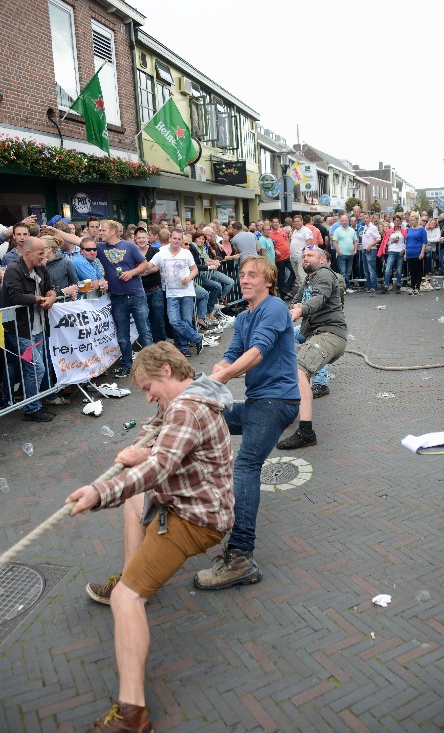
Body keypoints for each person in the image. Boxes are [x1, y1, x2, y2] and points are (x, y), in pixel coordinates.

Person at [66, 342, 235, 733]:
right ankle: (135, 577)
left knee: (127, 597)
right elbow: (156, 429)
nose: (146, 396)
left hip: (197, 518)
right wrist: (142, 444)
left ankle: (133, 715)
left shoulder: (188, 407)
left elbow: (159, 467)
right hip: (185, 501)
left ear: (166, 372)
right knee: (133, 506)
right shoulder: (186, 395)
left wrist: (99, 492)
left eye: (147, 387)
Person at [194, 256, 299, 590]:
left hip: (277, 401)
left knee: (247, 465)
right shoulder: (242, 316)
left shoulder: (275, 307)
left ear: (268, 281)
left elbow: (257, 352)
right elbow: (232, 353)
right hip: (256, 404)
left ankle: (241, 557)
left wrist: (221, 377)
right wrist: (207, 382)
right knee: (203, 420)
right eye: (242, 274)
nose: (244, 279)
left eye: (253, 275)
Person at [47, 220, 153, 378]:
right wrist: (54, 231)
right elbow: (75, 240)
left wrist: (131, 273)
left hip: (137, 294)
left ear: (113, 231)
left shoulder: (129, 246)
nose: (100, 232)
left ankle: (153, 365)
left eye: (103, 230)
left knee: (144, 333)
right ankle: (127, 367)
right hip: (117, 298)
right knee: (123, 336)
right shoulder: (99, 247)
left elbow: (145, 264)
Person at [276, 245, 347, 449]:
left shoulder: (324, 274)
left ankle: (306, 432)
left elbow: (317, 299)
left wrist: (301, 310)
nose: (305, 258)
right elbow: (296, 302)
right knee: (284, 364)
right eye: (304, 255)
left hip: (330, 334)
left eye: (310, 255)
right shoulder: (308, 279)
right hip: (314, 334)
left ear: (323, 260)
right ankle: (289, 410)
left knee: (298, 370)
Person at [1, 237, 56, 421]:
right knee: (36, 368)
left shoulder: (40, 268)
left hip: (38, 328)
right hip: (21, 331)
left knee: (33, 369)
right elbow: (16, 297)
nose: (44, 256)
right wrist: (40, 299)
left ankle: (35, 404)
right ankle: (32, 409)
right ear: (27, 253)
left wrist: (51, 298)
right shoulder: (13, 270)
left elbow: (50, 288)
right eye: (41, 253)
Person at [148, 228, 203, 357]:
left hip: (187, 292)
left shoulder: (186, 253)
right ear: (170, 239)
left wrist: (189, 277)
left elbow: (194, 270)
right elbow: (150, 266)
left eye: (179, 239)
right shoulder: (162, 253)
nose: (176, 241)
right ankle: (197, 337)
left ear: (181, 240)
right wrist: (135, 272)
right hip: (171, 293)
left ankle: (184, 347)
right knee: (174, 321)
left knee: (186, 321)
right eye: (174, 238)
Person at [135, 227, 167, 343]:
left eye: (143, 237)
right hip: (141, 291)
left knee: (158, 317)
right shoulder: (134, 251)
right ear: (135, 239)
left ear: (148, 238)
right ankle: (150, 344)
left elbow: (158, 266)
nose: (141, 240)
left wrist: (142, 272)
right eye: (139, 238)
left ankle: (161, 342)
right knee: (145, 318)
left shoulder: (155, 251)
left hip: (155, 289)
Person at [379, 216, 407, 294]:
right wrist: (392, 241)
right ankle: (385, 286)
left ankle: (398, 284)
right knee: (388, 270)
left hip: (400, 251)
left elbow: (406, 241)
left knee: (399, 270)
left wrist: (404, 249)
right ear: (393, 221)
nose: (397, 222)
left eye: (398, 220)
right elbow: (385, 242)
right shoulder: (389, 231)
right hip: (391, 251)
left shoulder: (404, 231)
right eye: (395, 220)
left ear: (400, 221)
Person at [269, 217, 295, 299]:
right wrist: (275, 250)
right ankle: (282, 294)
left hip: (287, 256)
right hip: (279, 258)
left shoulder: (282, 230)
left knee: (294, 272)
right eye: (274, 222)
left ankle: (285, 289)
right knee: (281, 276)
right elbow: (270, 246)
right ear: (271, 223)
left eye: (277, 222)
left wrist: (289, 248)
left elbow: (286, 240)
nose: (276, 224)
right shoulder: (270, 234)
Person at [332, 214, 358, 292]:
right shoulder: (337, 230)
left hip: (350, 254)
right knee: (342, 272)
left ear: (348, 221)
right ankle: (343, 289)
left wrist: (355, 250)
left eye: (346, 220)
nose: (344, 222)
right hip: (341, 255)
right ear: (340, 221)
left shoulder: (352, 230)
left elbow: (355, 241)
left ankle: (347, 287)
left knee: (348, 272)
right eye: (342, 220)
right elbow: (334, 242)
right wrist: (338, 251)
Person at [405, 211, 427, 296]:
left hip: (417, 252)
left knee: (418, 271)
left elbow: (424, 242)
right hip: (410, 252)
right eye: (410, 220)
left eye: (413, 220)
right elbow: (407, 242)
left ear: (417, 220)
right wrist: (405, 254)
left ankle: (417, 287)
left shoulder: (422, 229)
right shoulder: (409, 230)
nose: (411, 222)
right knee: (412, 271)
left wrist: (422, 252)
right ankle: (412, 287)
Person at [289, 215, 313, 288]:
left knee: (302, 277)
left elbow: (309, 243)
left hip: (301, 257)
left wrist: (304, 255)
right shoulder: (295, 231)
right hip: (293, 257)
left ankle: (306, 295)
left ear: (302, 221)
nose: (296, 223)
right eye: (295, 222)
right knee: (298, 277)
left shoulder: (306, 230)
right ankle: (301, 293)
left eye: (298, 221)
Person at [361, 213, 381, 292]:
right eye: (364, 218)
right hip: (365, 250)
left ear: (370, 218)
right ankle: (368, 285)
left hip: (371, 250)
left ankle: (373, 286)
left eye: (366, 217)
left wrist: (370, 245)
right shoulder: (365, 227)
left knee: (371, 269)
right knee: (366, 269)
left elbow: (378, 238)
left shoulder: (373, 228)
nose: (365, 219)